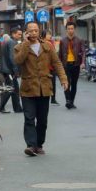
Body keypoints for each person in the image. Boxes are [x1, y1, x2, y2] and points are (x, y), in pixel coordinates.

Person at [14, 21, 68, 157]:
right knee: (29, 118)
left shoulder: (47, 46)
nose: (33, 33)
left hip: (44, 88)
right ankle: (31, 145)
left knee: (42, 120)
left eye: (35, 30)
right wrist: (26, 44)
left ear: (39, 32)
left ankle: (39, 144)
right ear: (26, 32)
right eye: (30, 30)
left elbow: (57, 63)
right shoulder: (19, 47)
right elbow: (18, 61)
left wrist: (63, 78)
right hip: (28, 89)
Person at [58, 20, 85, 109]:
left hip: (75, 64)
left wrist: (83, 63)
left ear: (74, 29)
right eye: (69, 29)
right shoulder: (62, 41)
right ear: (66, 30)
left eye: (72, 28)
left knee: (74, 84)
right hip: (65, 65)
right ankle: (68, 100)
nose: (70, 30)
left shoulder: (79, 40)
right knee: (66, 83)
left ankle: (71, 101)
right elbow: (60, 54)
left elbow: (83, 52)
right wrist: (59, 65)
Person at [0, 27, 23, 113]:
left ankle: (17, 108)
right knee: (11, 88)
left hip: (6, 69)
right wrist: (16, 70)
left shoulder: (8, 42)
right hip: (9, 70)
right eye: (18, 34)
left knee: (14, 89)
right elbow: (12, 58)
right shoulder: (12, 42)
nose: (20, 36)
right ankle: (0, 107)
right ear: (13, 34)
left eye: (21, 34)